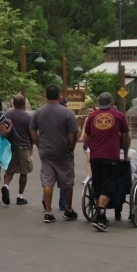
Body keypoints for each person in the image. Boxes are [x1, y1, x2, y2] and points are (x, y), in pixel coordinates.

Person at [81, 92, 131, 232]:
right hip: (111, 156)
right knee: (107, 187)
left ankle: (100, 214)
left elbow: (88, 136)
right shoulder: (119, 116)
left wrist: (86, 147)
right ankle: (100, 216)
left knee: (97, 185)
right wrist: (125, 153)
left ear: (98, 102)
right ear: (112, 102)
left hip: (95, 156)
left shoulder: (91, 116)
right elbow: (126, 137)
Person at [30, 85, 79, 224]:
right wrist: (71, 148)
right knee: (67, 181)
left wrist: (39, 144)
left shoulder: (39, 112)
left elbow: (32, 130)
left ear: (46, 96)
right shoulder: (67, 113)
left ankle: (48, 212)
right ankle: (68, 209)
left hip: (46, 152)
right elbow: (73, 133)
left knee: (47, 180)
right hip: (63, 151)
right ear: (59, 96)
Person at [0, 94, 33, 205]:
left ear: (13, 103)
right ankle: (20, 196)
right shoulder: (28, 117)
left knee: (9, 171)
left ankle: (6, 186)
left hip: (10, 147)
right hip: (24, 147)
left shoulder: (6, 115)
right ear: (23, 104)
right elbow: (31, 133)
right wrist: (31, 145)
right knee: (24, 172)